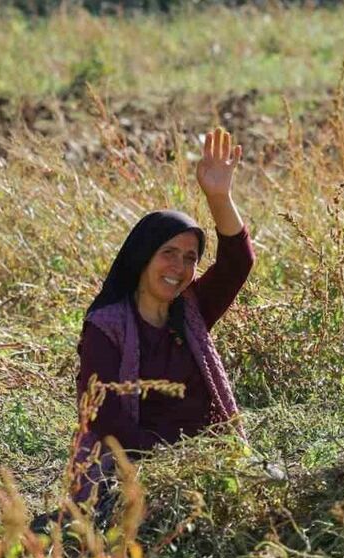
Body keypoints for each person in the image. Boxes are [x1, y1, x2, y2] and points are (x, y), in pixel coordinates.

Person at [70, 127, 253, 511]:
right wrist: (175, 465)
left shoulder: (191, 310)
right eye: (168, 253)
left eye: (190, 258)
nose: (179, 267)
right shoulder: (106, 328)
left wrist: (220, 198)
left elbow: (237, 263)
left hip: (209, 466)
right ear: (142, 258)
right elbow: (107, 420)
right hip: (134, 473)